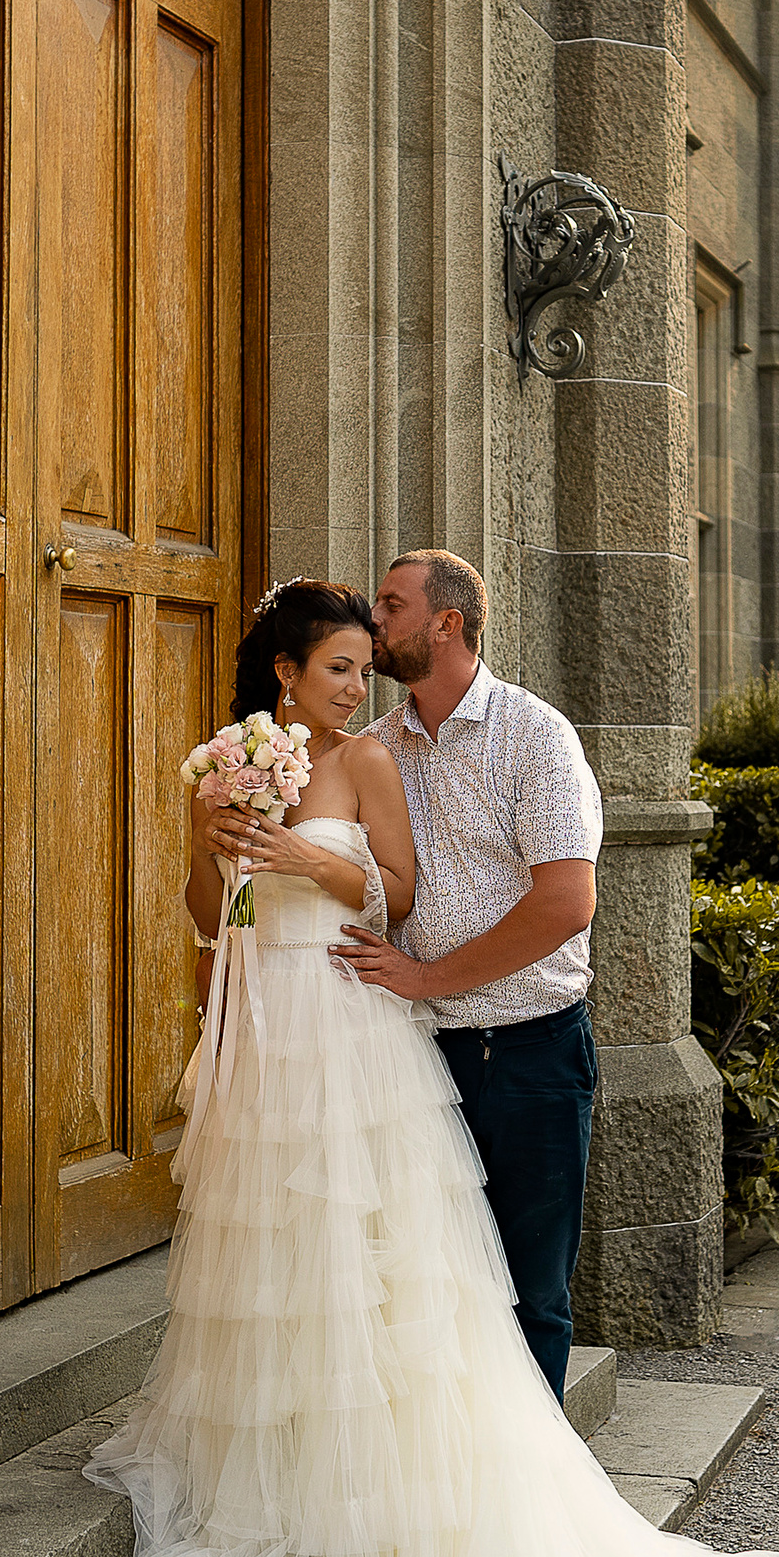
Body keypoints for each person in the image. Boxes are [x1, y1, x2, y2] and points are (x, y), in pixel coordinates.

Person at [88, 574, 779, 1557]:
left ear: (438, 627)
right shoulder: (242, 760)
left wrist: (307, 860)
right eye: (339, 660)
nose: (361, 671)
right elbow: (212, 920)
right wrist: (216, 842)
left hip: (389, 1032)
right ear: (284, 674)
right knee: (277, 1268)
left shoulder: (411, 755)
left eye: (373, 643)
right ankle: (286, 1487)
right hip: (272, 1042)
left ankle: (481, 1520)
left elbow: (406, 892)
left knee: (463, 1281)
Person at [332, 549, 600, 1404]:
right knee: (424, 1287)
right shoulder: (374, 749)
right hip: (415, 1058)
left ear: (446, 623)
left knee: (532, 1292)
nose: (373, 621)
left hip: (532, 1055)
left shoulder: (536, 735)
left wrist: (427, 977)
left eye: (391, 604)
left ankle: (535, 1483)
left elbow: (566, 902)